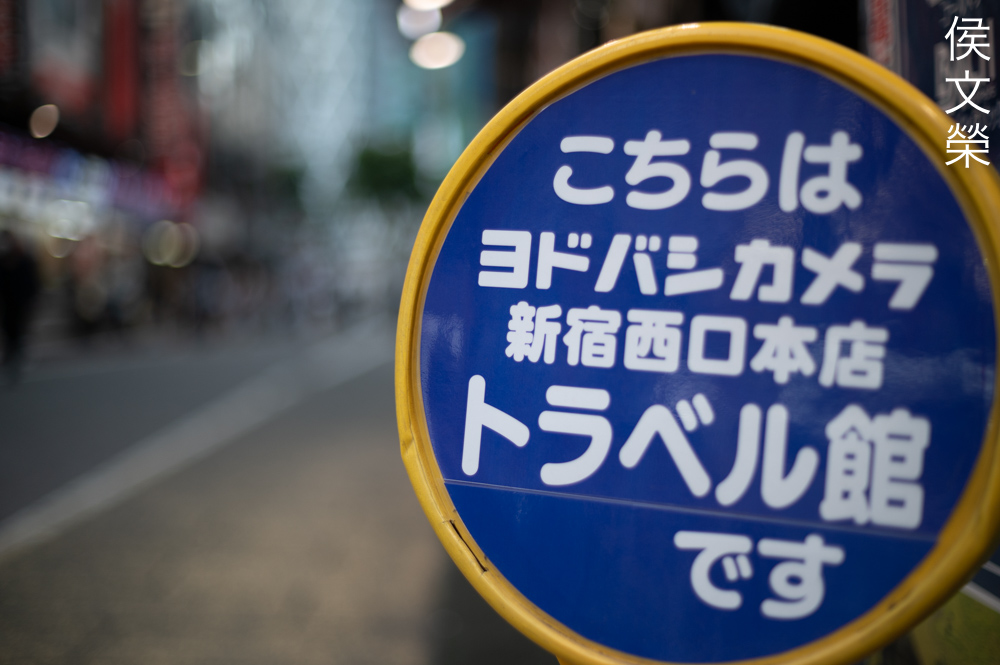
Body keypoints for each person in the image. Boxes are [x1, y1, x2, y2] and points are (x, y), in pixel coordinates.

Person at [0, 229, 40, 384]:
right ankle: (10, 355)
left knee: (20, 330)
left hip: (22, 303)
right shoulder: (5, 260)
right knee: (9, 330)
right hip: (9, 304)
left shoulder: (24, 260)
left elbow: (32, 282)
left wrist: (31, 299)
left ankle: (19, 356)